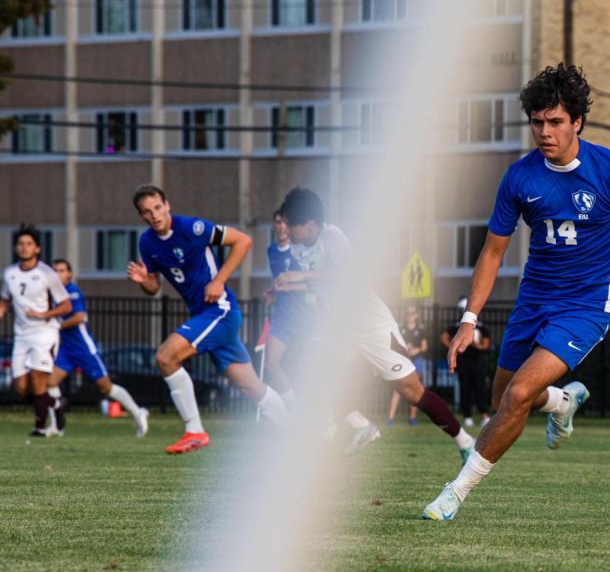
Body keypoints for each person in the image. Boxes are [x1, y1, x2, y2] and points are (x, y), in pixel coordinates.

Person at [422, 63, 610, 521]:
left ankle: (455, 494)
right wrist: (468, 321)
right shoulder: (519, 178)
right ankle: (563, 399)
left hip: (587, 306)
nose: (544, 131)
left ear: (577, 121)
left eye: (555, 121)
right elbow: (492, 253)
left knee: (516, 397)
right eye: (537, 121)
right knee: (503, 402)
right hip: (533, 301)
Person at [275, 186, 474, 461]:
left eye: (290, 225)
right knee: (304, 363)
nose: (286, 231)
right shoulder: (299, 247)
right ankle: (350, 425)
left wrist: (299, 277)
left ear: (309, 225)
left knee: (412, 391)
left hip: (368, 321)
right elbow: (318, 285)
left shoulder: (333, 237)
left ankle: (465, 441)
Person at [127, 184, 290, 453]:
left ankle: (195, 432)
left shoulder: (191, 228)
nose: (154, 215)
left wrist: (219, 280)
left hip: (220, 311)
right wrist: (144, 280)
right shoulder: (147, 242)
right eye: (147, 212)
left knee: (165, 357)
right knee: (251, 387)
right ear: (142, 216)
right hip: (205, 315)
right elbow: (155, 288)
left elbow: (243, 240)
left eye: (157, 207)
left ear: (167, 205)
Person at [47, 258, 150, 437]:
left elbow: (79, 317)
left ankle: (137, 412)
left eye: (61, 270)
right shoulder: (54, 294)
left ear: (69, 274)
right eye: (54, 270)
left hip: (83, 348)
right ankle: (56, 425)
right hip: (67, 350)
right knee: (50, 383)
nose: (57, 274)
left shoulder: (72, 292)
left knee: (105, 387)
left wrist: (56, 325)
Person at [0, 226, 72, 436]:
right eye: (21, 244)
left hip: (44, 332)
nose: (24, 248)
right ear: (15, 247)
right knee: (21, 387)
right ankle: (55, 404)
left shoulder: (46, 273)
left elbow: (66, 305)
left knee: (38, 378)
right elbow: (5, 300)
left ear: (37, 248)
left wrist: (42, 314)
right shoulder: (9, 273)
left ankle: (39, 427)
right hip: (21, 335)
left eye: (29, 244)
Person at [263, 209, 309, 412]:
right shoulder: (271, 250)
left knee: (306, 369)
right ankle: (296, 411)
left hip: (304, 318)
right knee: (271, 364)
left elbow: (312, 283)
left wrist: (290, 286)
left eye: (285, 222)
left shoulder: (300, 250)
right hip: (282, 317)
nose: (281, 227)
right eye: (278, 222)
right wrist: (272, 292)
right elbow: (279, 283)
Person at [442, 297, 491, 428]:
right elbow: (444, 337)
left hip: (477, 361)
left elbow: (486, 342)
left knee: (479, 387)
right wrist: (453, 347)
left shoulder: (480, 326)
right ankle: (467, 416)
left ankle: (484, 414)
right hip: (463, 360)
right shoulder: (457, 326)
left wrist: (478, 346)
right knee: (465, 388)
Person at [387, 305, 429, 426]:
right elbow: (394, 345)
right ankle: (390, 418)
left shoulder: (421, 330)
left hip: (416, 361)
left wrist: (416, 350)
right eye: (408, 313)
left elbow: (424, 347)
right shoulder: (400, 329)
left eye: (412, 313)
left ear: (416, 315)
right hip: (402, 360)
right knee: (398, 389)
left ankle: (412, 417)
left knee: (413, 389)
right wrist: (405, 350)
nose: (410, 315)